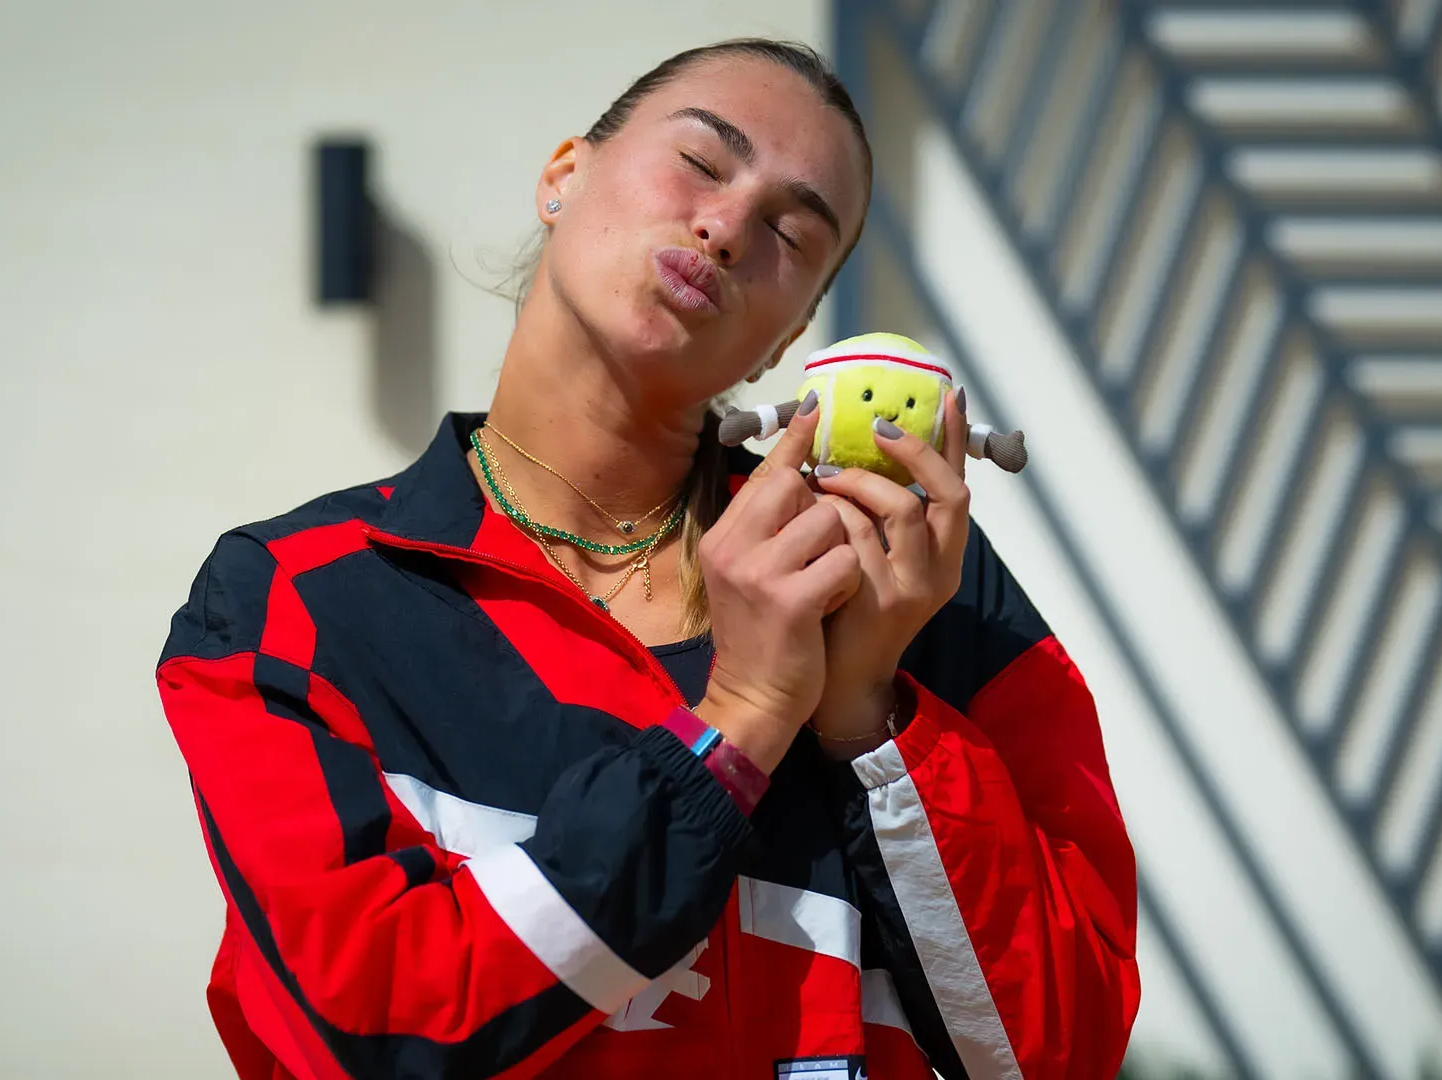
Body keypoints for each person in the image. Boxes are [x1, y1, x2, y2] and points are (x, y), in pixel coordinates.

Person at [157, 39, 1138, 1080]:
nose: (727, 228)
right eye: (702, 163)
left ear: (790, 337)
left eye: (792, 233)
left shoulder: (913, 584)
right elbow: (381, 1030)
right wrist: (744, 719)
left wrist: (868, 717)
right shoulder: (298, 597)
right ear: (563, 175)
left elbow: (1059, 1051)